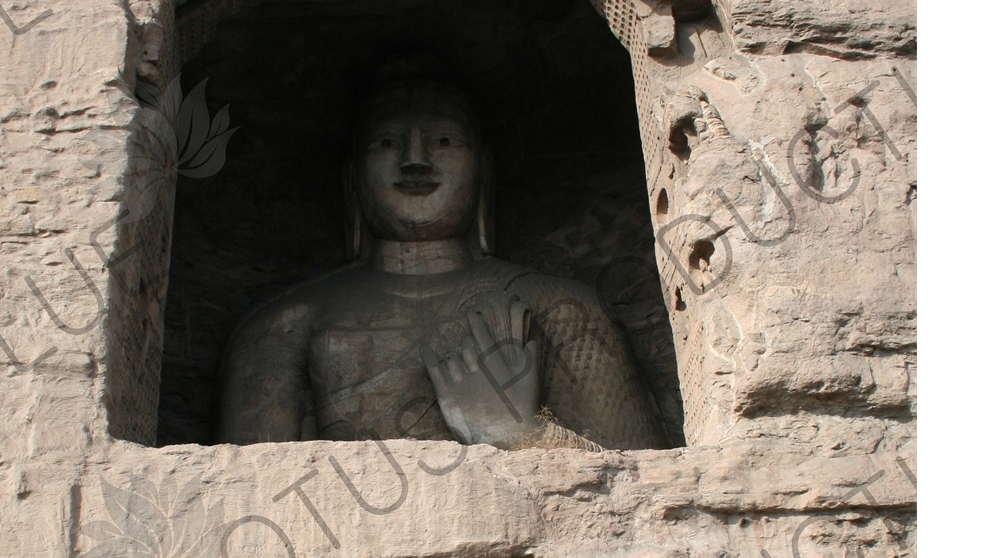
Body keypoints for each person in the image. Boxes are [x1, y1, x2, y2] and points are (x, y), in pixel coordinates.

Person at [216, 60, 667, 451]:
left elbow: (649, 499)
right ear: (351, 177)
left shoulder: (562, 309)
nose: (416, 161)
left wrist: (516, 435)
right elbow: (246, 518)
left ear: (484, 170)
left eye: (445, 141)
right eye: (387, 143)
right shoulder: (282, 329)